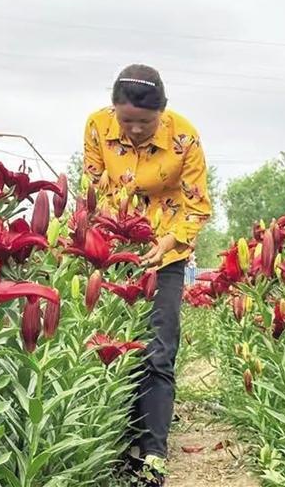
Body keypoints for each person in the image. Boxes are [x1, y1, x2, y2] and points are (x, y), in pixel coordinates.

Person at [83, 64, 212, 486]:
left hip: (165, 256)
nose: (135, 130)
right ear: (114, 112)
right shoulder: (97, 126)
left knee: (158, 350)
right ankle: (113, 448)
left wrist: (169, 243)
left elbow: (197, 207)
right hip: (112, 254)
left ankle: (152, 455)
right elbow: (94, 188)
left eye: (145, 122)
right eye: (127, 121)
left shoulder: (185, 137)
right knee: (108, 348)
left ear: (163, 112)